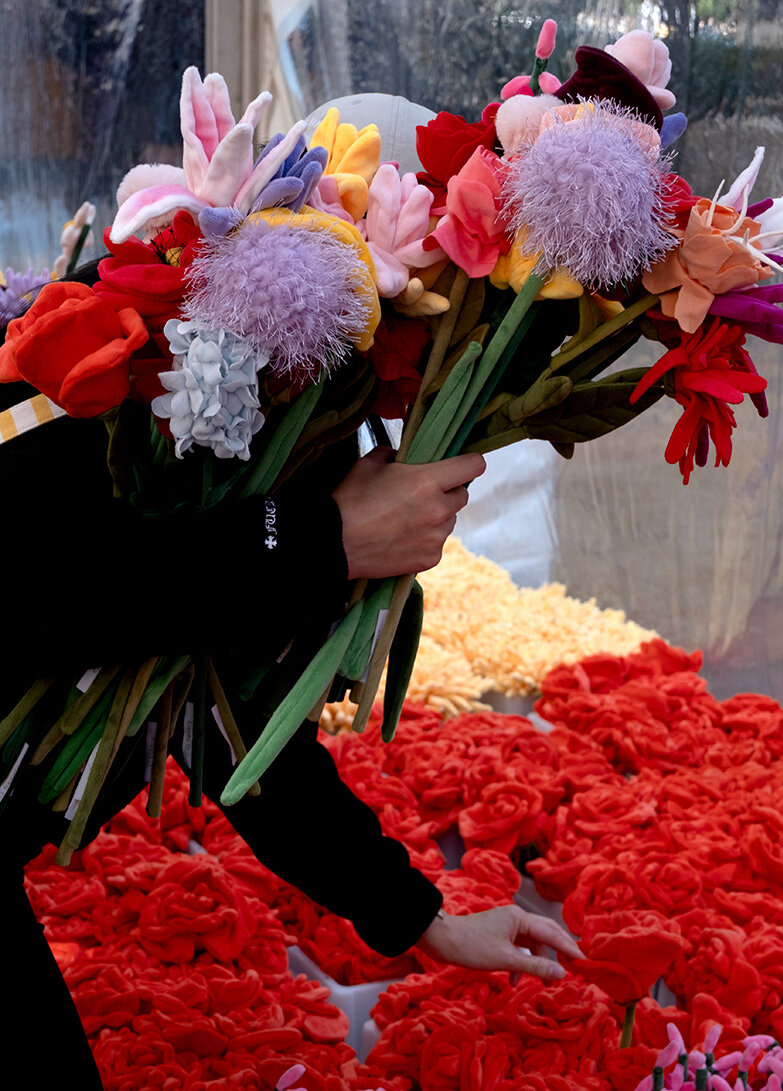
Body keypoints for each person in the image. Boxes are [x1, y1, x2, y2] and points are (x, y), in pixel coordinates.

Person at [0, 275, 582, 1087]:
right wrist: (324, 539)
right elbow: (60, 592)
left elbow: (232, 719)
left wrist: (422, 916)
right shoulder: (75, 432)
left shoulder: (191, 482)